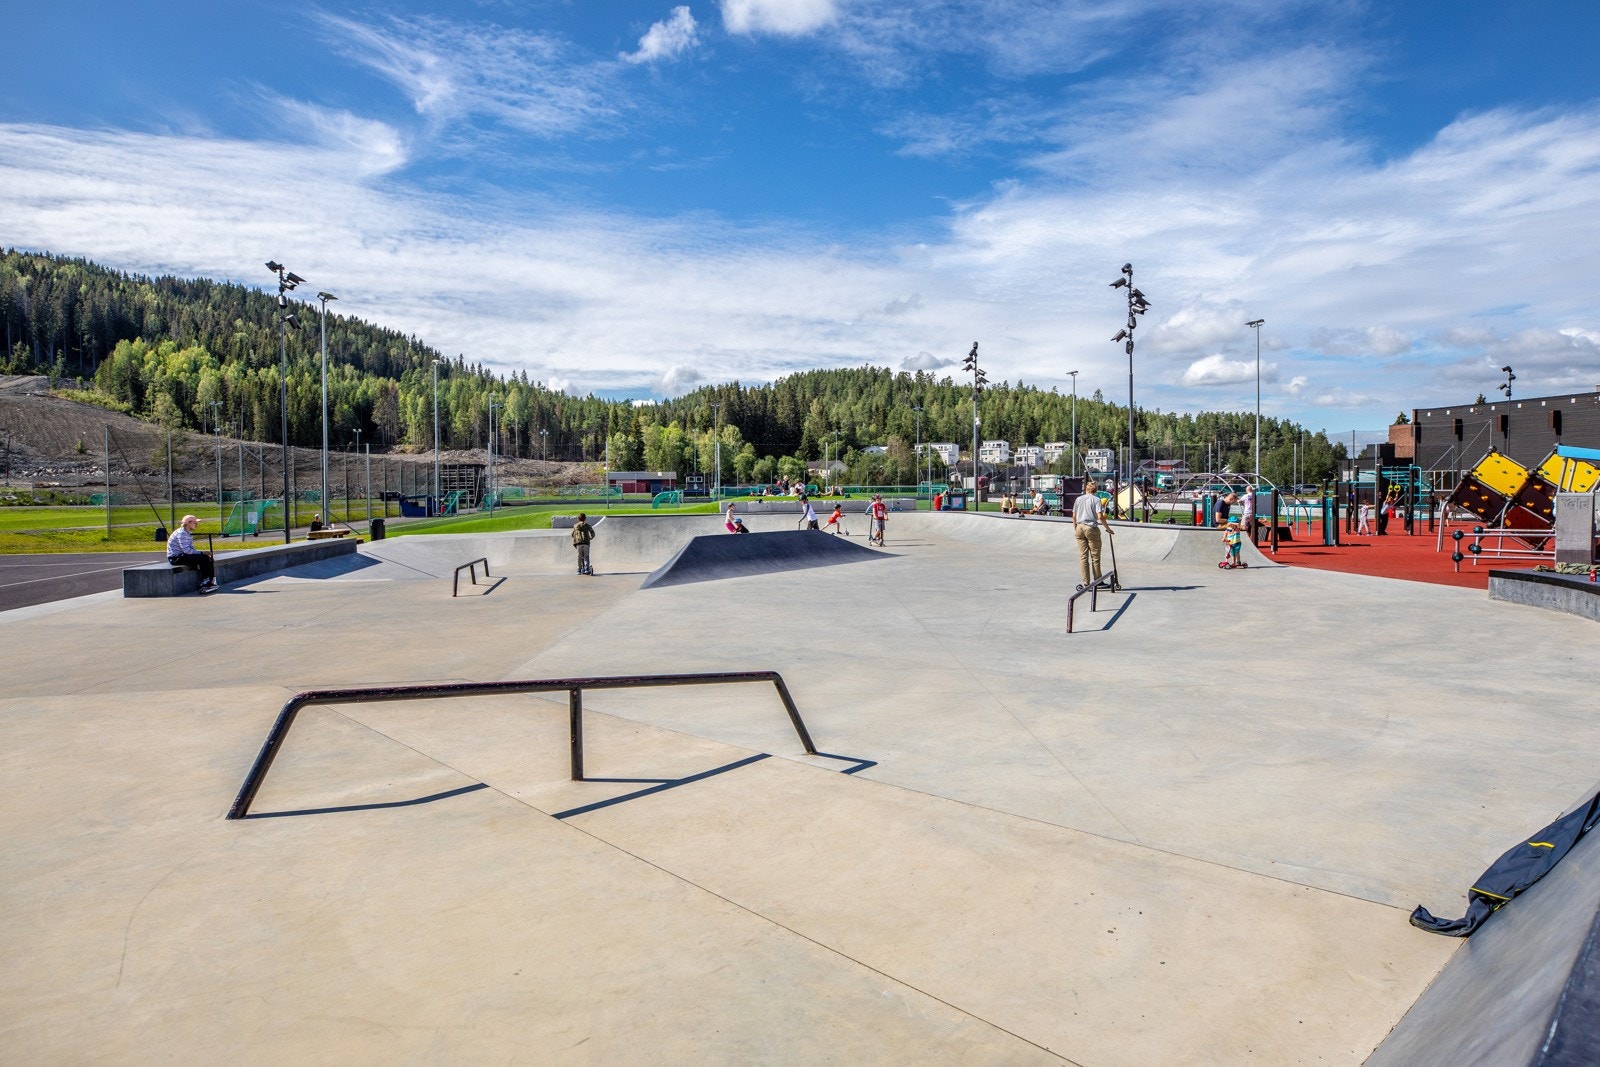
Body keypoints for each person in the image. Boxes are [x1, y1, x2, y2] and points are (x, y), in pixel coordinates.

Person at [1071, 480, 1110, 590]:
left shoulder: (1078, 499)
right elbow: (1100, 517)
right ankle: (1098, 581)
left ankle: (1086, 583)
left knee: (1083, 557)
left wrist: (1076, 529)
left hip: (1079, 526)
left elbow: (1073, 516)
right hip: (1091, 527)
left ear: (1086, 489)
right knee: (1095, 557)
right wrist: (1108, 529)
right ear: (1096, 490)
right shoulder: (1097, 500)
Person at [167, 514, 216, 591]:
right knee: (203, 558)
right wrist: (202, 553)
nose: (196, 524)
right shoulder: (181, 533)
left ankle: (209, 580)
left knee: (206, 558)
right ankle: (205, 581)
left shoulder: (186, 532)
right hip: (175, 557)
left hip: (181, 555)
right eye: (194, 522)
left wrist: (202, 554)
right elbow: (186, 550)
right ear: (188, 523)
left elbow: (190, 548)